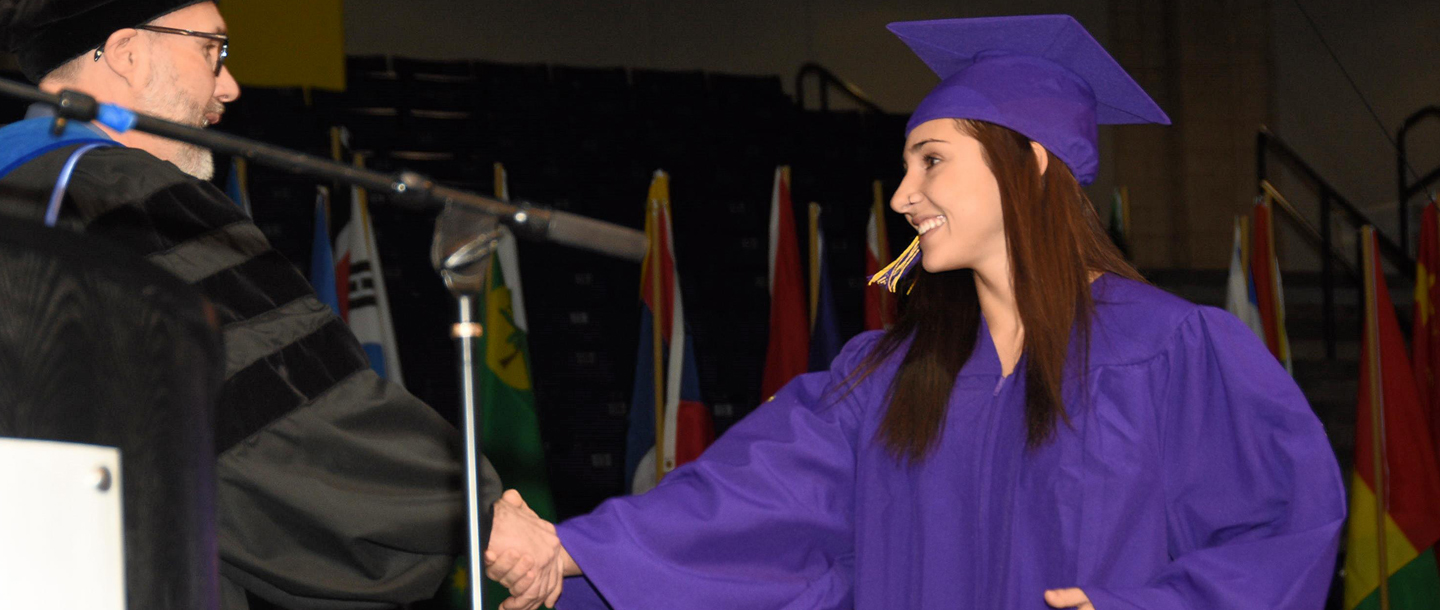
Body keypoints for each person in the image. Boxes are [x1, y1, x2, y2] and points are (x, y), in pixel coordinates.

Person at [483, 14, 1347, 610]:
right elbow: (744, 503)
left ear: (1033, 162)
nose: (903, 195)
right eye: (907, 167)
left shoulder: (1174, 353)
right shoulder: (884, 378)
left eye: (931, 161)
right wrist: (575, 549)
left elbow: (1285, 525)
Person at [0, 2, 545, 608]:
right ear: (128, 53)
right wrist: (471, 505)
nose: (229, 86)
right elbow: (283, 409)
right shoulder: (125, 195)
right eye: (211, 50)